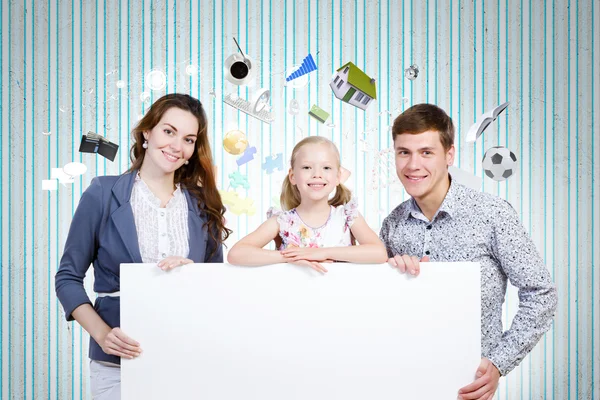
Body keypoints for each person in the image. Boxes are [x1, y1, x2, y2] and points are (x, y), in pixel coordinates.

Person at [55, 93, 230, 399]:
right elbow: (67, 278)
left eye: (189, 139)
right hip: (118, 364)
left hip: (187, 358)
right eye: (169, 131)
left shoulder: (204, 206)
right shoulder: (102, 193)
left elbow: (218, 290)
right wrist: (102, 333)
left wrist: (194, 276)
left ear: (193, 150)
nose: (177, 146)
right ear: (147, 132)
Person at [379, 103, 557, 400]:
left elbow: (540, 293)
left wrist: (499, 363)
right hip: (402, 382)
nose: (412, 165)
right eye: (404, 152)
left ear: (449, 154)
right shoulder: (392, 225)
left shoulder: (492, 214)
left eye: (426, 152)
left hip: (467, 390)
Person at [227, 136, 387, 271]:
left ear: (337, 176)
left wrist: (323, 253)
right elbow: (237, 254)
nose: (317, 174)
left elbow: (379, 253)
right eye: (306, 167)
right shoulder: (283, 221)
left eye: (326, 167)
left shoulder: (347, 217)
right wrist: (291, 257)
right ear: (293, 176)